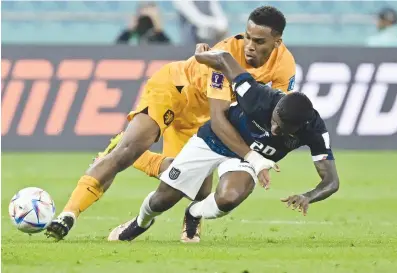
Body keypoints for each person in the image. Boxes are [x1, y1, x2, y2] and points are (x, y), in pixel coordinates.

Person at [45, 6, 297, 241]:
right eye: (248, 37)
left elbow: (273, 113)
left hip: (201, 116)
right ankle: (67, 215)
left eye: (259, 41)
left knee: (190, 184)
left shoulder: (284, 67)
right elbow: (220, 120)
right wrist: (252, 158)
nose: (250, 46)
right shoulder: (226, 55)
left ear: (277, 42)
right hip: (174, 90)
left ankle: (145, 166)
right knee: (128, 150)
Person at [107, 48, 340, 243]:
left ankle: (194, 213)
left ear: (300, 128)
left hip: (245, 160)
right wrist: (201, 56)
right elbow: (225, 59)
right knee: (163, 200)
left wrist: (309, 196)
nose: (275, 130)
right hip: (213, 140)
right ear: (276, 109)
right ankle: (140, 222)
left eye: (282, 130)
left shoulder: (315, 131)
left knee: (230, 197)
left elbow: (331, 181)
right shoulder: (257, 96)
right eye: (274, 122)